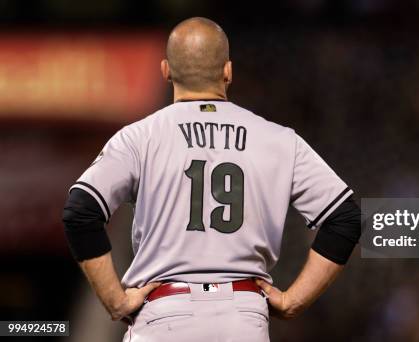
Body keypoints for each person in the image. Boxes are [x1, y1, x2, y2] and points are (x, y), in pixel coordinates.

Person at [62, 17, 361, 341]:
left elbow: (80, 212)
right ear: (228, 71)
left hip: (164, 314)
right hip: (242, 317)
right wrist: (293, 300)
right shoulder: (279, 140)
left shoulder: (138, 137)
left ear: (166, 70)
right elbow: (344, 218)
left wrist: (116, 301)